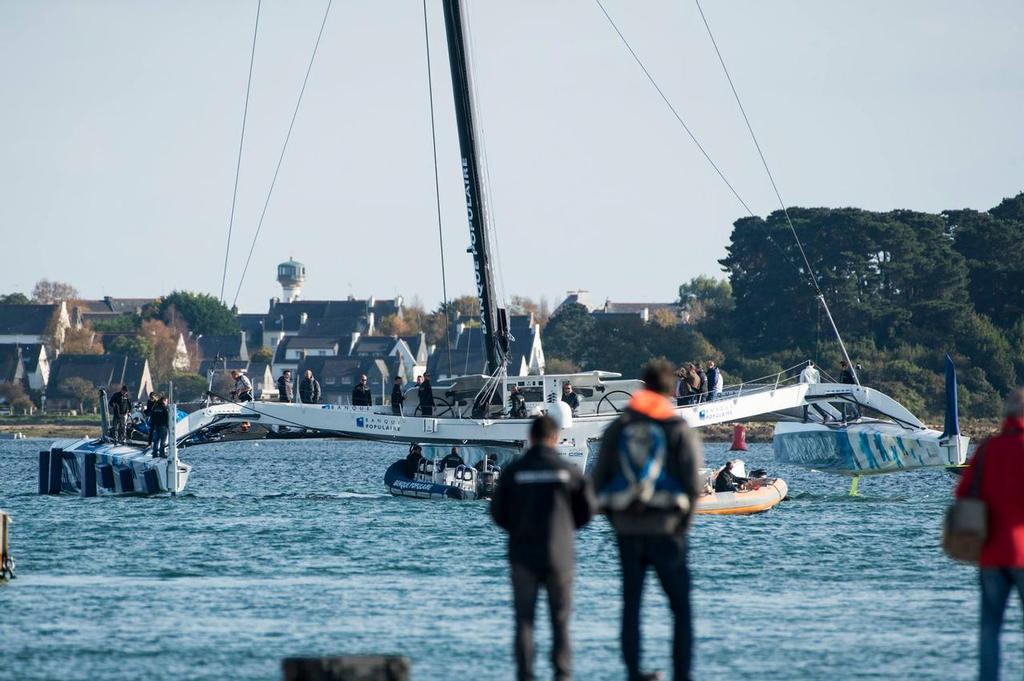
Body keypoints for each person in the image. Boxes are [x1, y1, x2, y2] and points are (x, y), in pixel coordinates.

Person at [592, 359, 703, 681]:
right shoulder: (676, 428)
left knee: (632, 606)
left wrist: (616, 520)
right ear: (670, 390)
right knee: (680, 608)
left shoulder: (619, 427)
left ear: (642, 387)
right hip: (668, 530)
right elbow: (692, 484)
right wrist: (683, 524)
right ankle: (682, 674)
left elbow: (599, 480)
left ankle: (632, 673)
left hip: (627, 530)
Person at [491, 415, 595, 681]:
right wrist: (565, 529)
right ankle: (562, 674)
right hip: (559, 554)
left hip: (523, 554)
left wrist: (518, 528)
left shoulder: (514, 471)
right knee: (560, 621)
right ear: (556, 438)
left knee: (525, 621)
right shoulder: (568, 471)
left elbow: (497, 513)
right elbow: (586, 511)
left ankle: (525, 674)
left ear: (531, 437)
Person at [956, 388, 1024, 681]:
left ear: (1004, 415)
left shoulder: (987, 449)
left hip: (991, 553)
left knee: (989, 628)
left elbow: (962, 493)